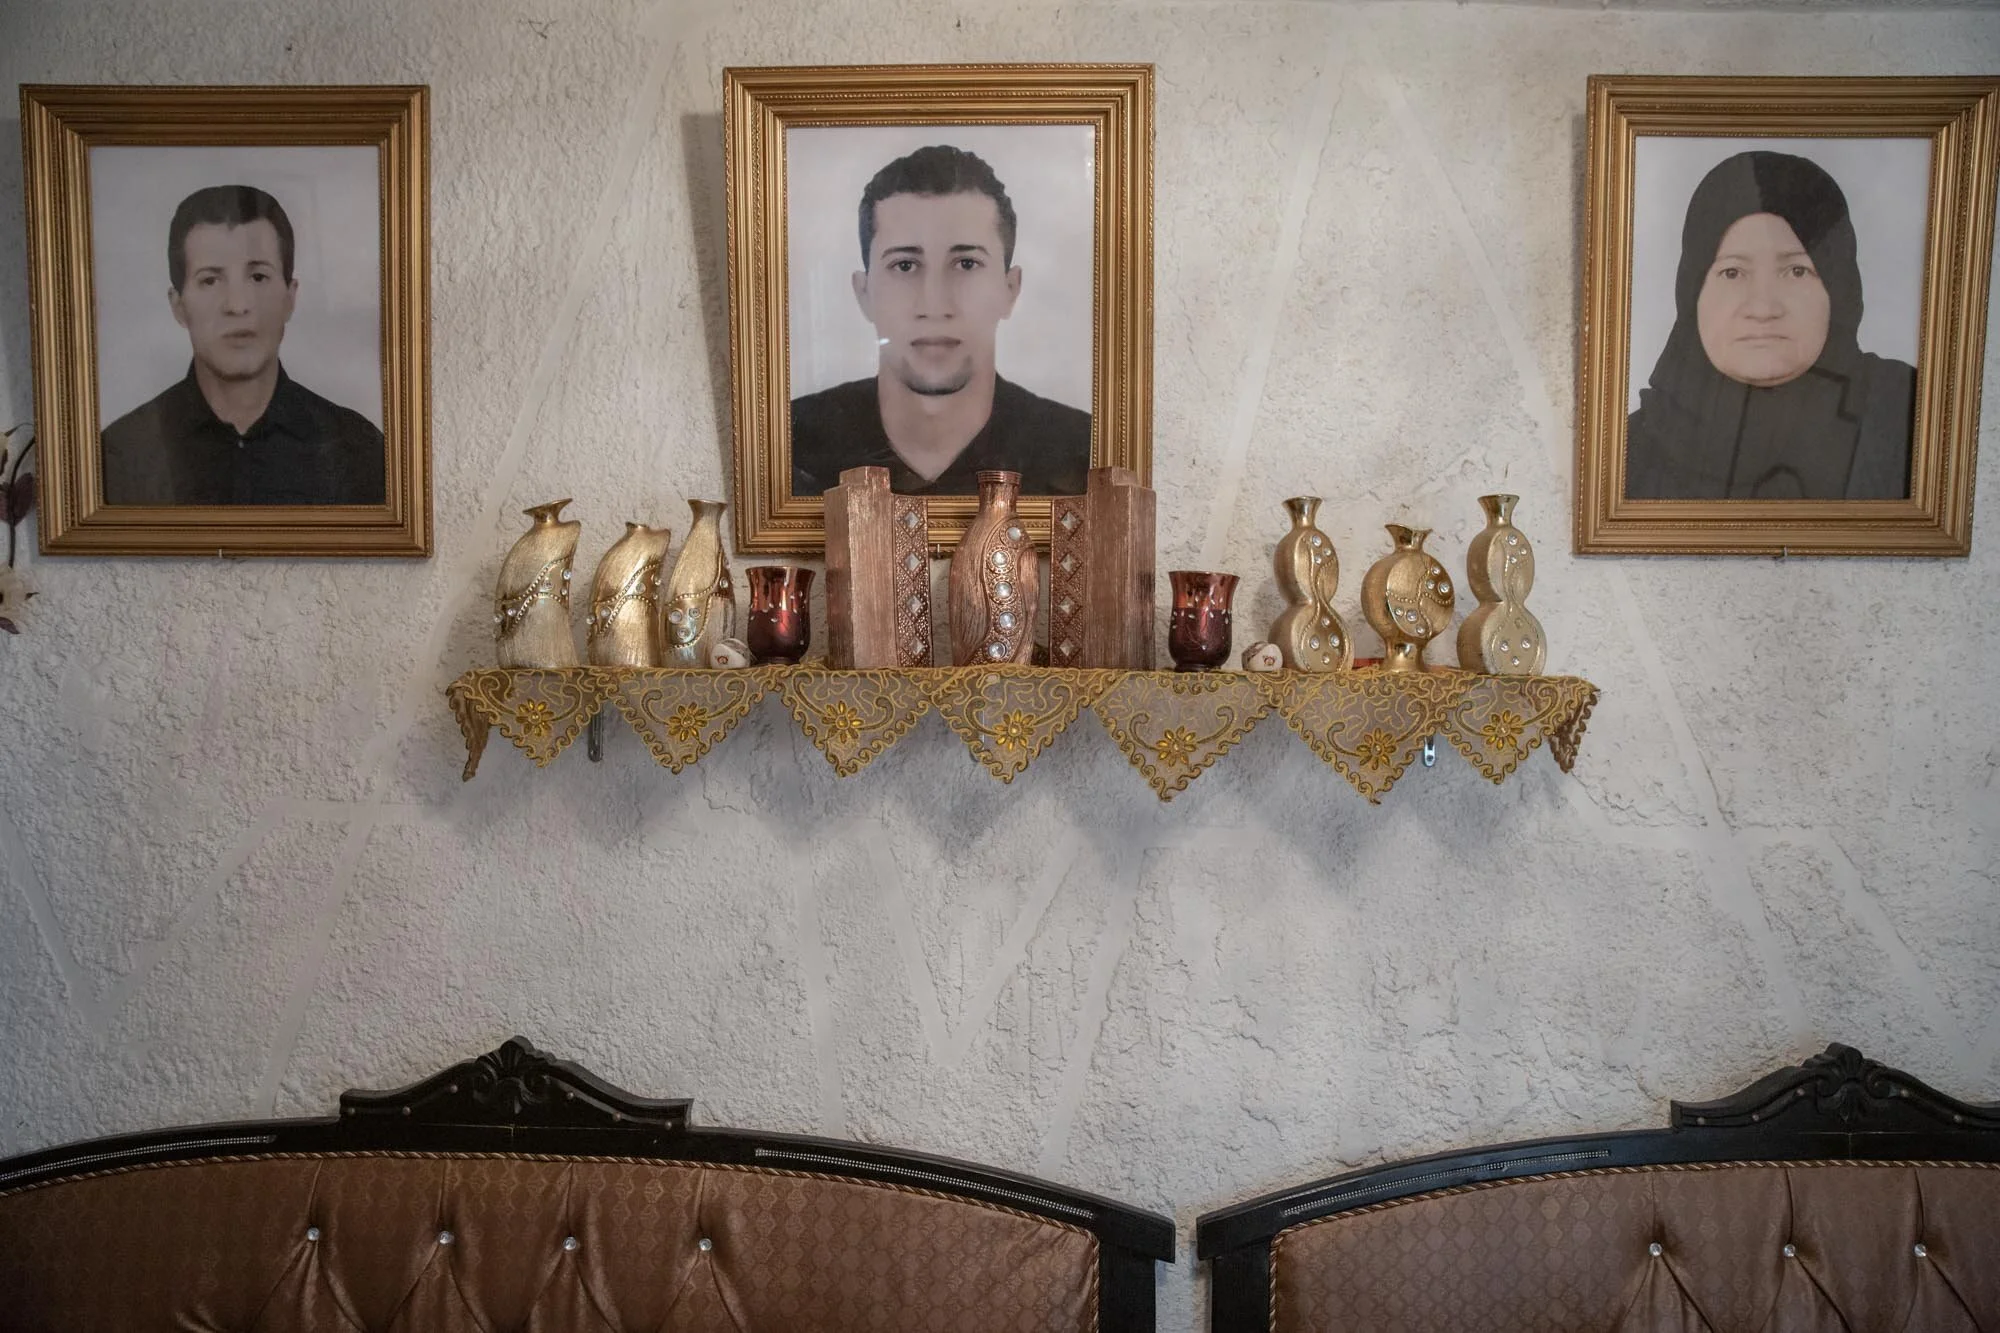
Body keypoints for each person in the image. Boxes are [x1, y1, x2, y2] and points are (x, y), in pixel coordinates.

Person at [789, 145, 1091, 497]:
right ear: (864, 292)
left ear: (1010, 289)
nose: (934, 304)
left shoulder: (1078, 453)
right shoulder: (793, 445)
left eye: (966, 264)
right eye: (904, 265)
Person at [1625, 150, 1913, 501]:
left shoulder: (1907, 416)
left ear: (1839, 289)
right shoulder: (1632, 453)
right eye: (1732, 272)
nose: (1763, 308)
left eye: (1796, 271)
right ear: (1693, 293)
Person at [100, 184, 385, 506]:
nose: (237, 305)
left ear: (290, 297)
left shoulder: (359, 450)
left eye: (258, 277)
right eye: (210, 280)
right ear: (178, 305)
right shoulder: (121, 452)